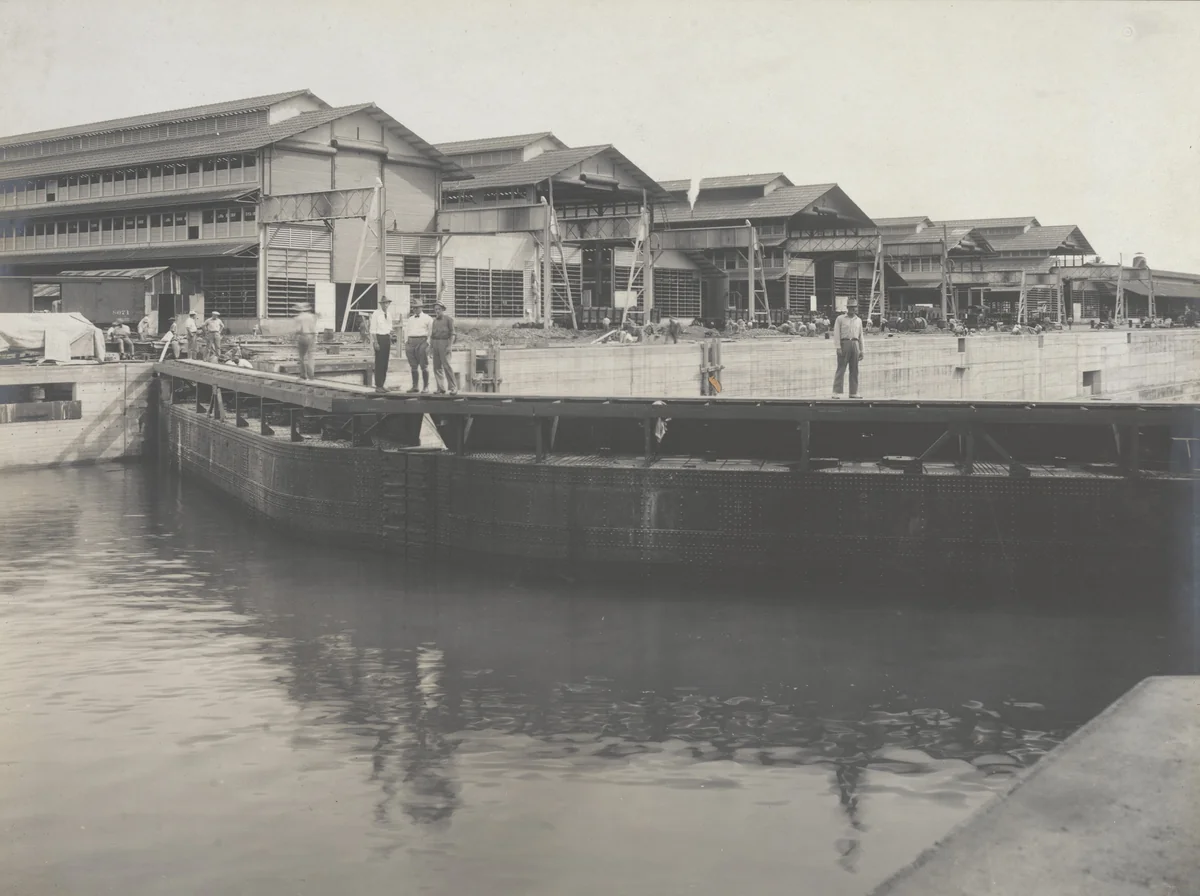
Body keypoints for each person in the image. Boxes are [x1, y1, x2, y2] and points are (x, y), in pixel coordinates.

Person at [832, 299, 864, 399]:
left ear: (856, 308)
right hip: (844, 343)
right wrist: (838, 347)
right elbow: (836, 333)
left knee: (854, 369)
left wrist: (862, 350)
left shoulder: (859, 320)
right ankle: (836, 392)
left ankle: (853, 392)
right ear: (847, 308)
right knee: (841, 368)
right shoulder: (840, 319)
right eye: (850, 307)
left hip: (855, 343)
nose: (852, 309)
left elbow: (861, 335)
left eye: (854, 307)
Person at [403, 300, 433, 393]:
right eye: (413, 307)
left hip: (422, 342)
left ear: (421, 307)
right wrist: (406, 342)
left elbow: (431, 332)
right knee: (413, 366)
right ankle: (415, 386)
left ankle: (425, 387)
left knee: (423, 365)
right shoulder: (410, 319)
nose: (415, 309)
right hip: (411, 342)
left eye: (417, 307)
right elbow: (406, 330)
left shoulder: (428, 318)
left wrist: (428, 343)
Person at [369, 295, 396, 393]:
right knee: (379, 362)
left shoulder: (389, 314)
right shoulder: (376, 314)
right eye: (384, 303)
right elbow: (373, 329)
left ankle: (382, 384)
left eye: (387, 303)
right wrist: (375, 342)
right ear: (381, 304)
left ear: (389, 304)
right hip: (379, 338)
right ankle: (378, 385)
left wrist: (392, 335)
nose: (386, 305)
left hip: (386, 338)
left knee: (385, 362)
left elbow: (390, 328)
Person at [430, 301, 457, 394]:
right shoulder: (434, 321)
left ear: (443, 310)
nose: (437, 311)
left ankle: (453, 387)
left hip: (445, 343)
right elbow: (432, 336)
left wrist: (450, 346)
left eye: (439, 309)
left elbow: (453, 334)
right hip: (436, 344)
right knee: (437, 367)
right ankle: (440, 388)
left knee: (447, 366)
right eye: (435, 309)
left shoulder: (449, 320)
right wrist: (431, 348)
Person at [294, 301, 317, 380]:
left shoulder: (298, 318)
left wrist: (294, 336)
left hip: (303, 336)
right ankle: (311, 376)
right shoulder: (312, 317)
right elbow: (314, 328)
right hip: (312, 336)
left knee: (302, 357)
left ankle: (303, 375)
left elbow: (298, 329)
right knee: (310, 356)